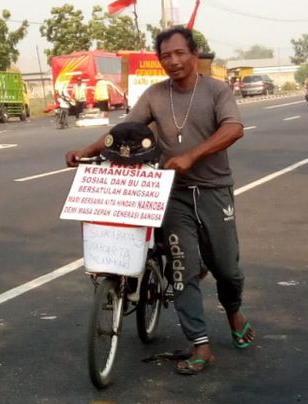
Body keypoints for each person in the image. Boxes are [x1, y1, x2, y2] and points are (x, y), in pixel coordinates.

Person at [66, 26, 254, 376]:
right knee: (180, 267)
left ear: (194, 54)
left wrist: (192, 156)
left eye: (180, 53)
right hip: (173, 194)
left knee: (227, 268)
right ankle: (200, 345)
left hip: (214, 191)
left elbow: (233, 129)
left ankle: (234, 312)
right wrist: (86, 150)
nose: (173, 61)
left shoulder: (217, 90)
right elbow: (123, 132)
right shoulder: (154, 95)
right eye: (166, 56)